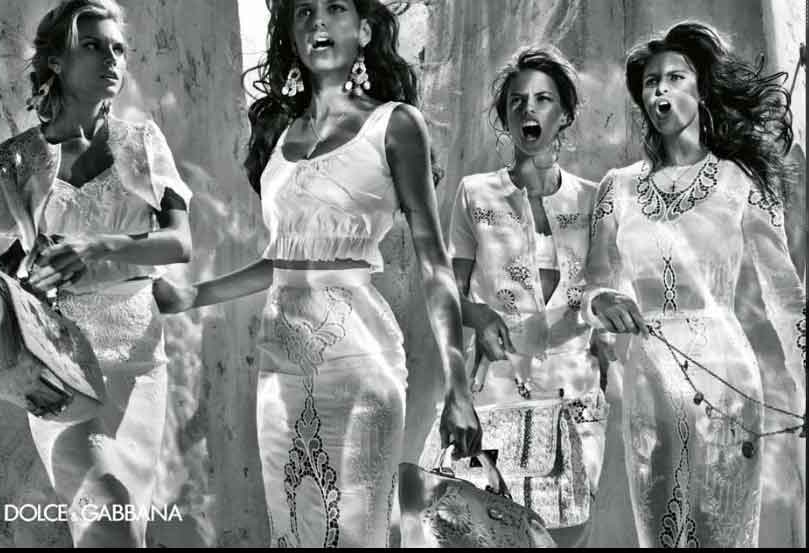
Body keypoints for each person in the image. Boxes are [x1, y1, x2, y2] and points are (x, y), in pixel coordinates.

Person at [152, 0, 481, 547]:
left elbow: (434, 262)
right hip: (279, 368)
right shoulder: (279, 132)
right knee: (290, 534)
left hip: (361, 362)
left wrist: (458, 386)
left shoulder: (395, 124)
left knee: (357, 535)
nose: (318, 22)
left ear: (365, 30)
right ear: (291, 34)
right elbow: (284, 261)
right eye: (304, 11)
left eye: (334, 8)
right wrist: (191, 296)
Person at [583, 21, 805, 547]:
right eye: (650, 82)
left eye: (675, 78)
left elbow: (787, 298)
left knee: (721, 535)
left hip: (726, 377)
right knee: (658, 535)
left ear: (701, 89)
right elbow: (591, 282)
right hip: (649, 382)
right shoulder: (618, 187)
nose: (660, 90)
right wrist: (600, 300)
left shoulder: (740, 181)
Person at [0, 0, 193, 546]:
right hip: (57, 364)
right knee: (108, 513)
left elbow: (180, 243)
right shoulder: (8, 161)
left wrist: (98, 246)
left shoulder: (142, 143)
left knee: (124, 530)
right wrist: (28, 269)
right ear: (55, 61)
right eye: (93, 46)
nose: (111, 59)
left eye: (118, 48)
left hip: (140, 364)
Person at [447, 44, 612, 548]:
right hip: (496, 393)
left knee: (568, 536)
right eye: (516, 101)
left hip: (575, 396)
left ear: (565, 115)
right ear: (505, 117)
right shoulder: (475, 193)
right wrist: (478, 314)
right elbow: (448, 297)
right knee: (494, 536)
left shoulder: (593, 198)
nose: (528, 110)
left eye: (542, 99)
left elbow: (606, 285)